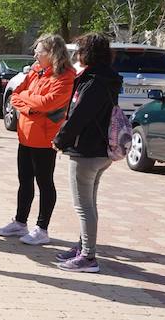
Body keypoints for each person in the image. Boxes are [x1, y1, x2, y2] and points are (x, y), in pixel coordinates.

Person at [52, 32, 122, 273]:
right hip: (99, 150)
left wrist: (61, 139)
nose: (76, 56)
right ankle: (82, 246)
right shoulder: (104, 78)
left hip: (88, 151)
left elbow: (81, 115)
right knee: (89, 203)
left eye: (79, 51)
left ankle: (89, 257)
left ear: (89, 53)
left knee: (84, 206)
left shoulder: (95, 81)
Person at [0, 34, 75, 245]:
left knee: (44, 182)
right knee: (24, 180)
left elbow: (48, 103)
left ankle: (42, 228)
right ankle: (20, 221)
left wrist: (31, 105)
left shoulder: (66, 76)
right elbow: (15, 95)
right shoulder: (35, 70)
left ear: (52, 53)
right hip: (25, 134)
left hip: (45, 138)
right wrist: (31, 107)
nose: (35, 54)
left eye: (39, 51)